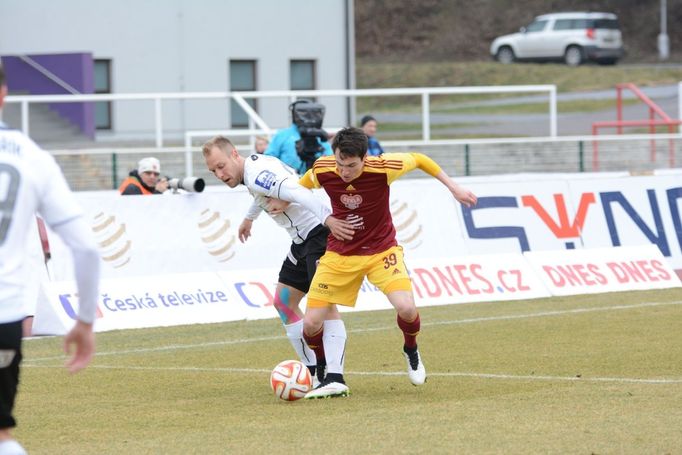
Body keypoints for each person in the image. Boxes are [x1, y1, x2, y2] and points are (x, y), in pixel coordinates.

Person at [299, 127, 477, 399]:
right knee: (310, 324)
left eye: (351, 165)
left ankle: (411, 349)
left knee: (406, 307)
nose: (344, 171)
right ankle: (321, 369)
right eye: (339, 163)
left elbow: (419, 158)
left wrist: (454, 187)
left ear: (365, 157)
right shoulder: (323, 168)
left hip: (382, 251)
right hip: (339, 254)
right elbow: (297, 190)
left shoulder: (384, 167)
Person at [0, 62, 100, 455]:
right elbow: (87, 247)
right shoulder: (32, 156)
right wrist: (85, 320)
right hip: (4, 314)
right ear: (4, 94)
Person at [202, 136, 354, 386]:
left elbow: (296, 190)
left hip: (318, 235)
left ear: (234, 155)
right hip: (301, 241)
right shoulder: (252, 169)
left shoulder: (257, 173)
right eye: (213, 170)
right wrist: (250, 218)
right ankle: (313, 371)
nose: (219, 173)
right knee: (284, 302)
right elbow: (266, 192)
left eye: (221, 166)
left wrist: (328, 219)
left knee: (323, 306)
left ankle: (335, 377)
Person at [265, 100, 332, 174]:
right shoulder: (282, 135)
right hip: (287, 181)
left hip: (315, 180)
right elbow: (268, 159)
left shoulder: (319, 135)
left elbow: (330, 160)